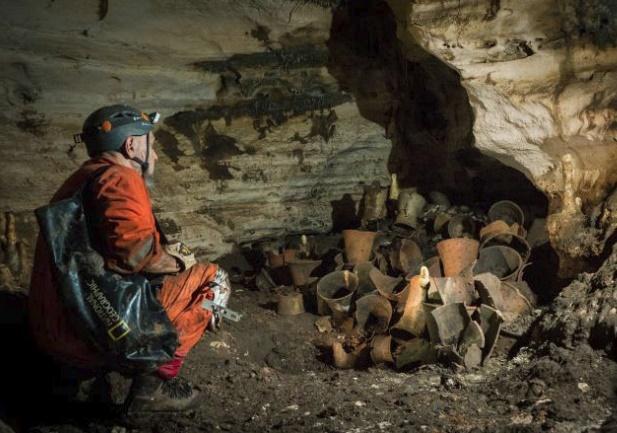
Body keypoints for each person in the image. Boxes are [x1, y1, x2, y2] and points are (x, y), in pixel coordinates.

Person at [28, 105, 231, 412]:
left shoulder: (82, 178)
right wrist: (179, 262)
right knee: (213, 281)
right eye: (153, 144)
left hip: (56, 329)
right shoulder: (120, 178)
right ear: (131, 145)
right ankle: (155, 386)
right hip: (86, 334)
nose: (157, 155)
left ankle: (75, 380)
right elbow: (137, 257)